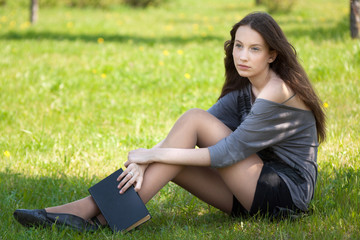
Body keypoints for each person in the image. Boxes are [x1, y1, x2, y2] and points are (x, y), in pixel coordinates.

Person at [13, 11, 326, 232]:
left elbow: (225, 152)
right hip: (250, 193)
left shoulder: (277, 91)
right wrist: (145, 162)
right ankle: (96, 215)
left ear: (272, 54)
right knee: (182, 143)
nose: (243, 56)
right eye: (239, 46)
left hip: (285, 195)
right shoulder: (246, 89)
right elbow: (189, 135)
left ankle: (87, 213)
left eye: (254, 49)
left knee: (192, 119)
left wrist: (151, 154)